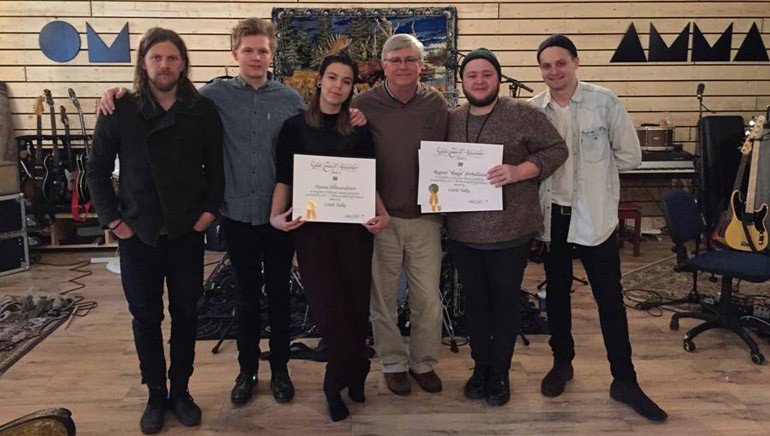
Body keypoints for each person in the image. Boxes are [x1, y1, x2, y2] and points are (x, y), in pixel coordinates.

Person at [98, 18, 365, 407]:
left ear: (272, 55)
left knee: (279, 295)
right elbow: (165, 94)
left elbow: (326, 120)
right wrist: (116, 92)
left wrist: (356, 113)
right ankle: (247, 371)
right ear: (234, 54)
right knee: (244, 296)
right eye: (248, 50)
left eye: (263, 51)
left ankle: (280, 370)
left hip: (281, 216)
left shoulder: (290, 99)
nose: (256, 57)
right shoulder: (213, 96)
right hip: (236, 214)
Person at [87, 27, 224, 434]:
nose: (164, 65)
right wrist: (114, 221)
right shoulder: (120, 109)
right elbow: (95, 170)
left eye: (172, 58)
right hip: (139, 234)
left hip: (186, 232)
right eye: (156, 58)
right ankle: (154, 394)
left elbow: (216, 170)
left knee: (186, 315)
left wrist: (208, 214)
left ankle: (181, 391)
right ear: (143, 62)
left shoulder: (202, 109)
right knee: (145, 318)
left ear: (183, 63)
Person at [530, 34, 668, 421]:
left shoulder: (604, 102)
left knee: (610, 299)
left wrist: (597, 174)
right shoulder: (533, 109)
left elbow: (630, 157)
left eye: (560, 62)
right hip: (553, 215)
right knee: (556, 294)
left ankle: (624, 379)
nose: (553, 71)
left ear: (576, 62)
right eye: (546, 65)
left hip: (596, 216)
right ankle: (562, 362)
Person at [270, 53, 389, 421]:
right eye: (333, 78)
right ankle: (345, 377)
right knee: (327, 309)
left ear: (353, 88)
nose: (338, 86)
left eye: (346, 81)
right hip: (312, 231)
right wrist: (274, 216)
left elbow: (366, 179)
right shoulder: (293, 127)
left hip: (355, 230)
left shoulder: (358, 128)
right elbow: (285, 179)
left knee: (355, 307)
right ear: (319, 80)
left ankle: (346, 378)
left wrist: (381, 213)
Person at [446, 48, 567, 406]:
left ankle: (500, 372)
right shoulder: (452, 118)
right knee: (476, 305)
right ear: (463, 81)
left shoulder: (523, 114)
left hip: (510, 230)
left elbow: (556, 150)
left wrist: (518, 171)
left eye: (486, 74)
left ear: (498, 78)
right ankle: (480, 367)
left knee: (504, 304)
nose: (479, 81)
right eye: (472, 75)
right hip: (463, 231)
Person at [352, 34, 448, 395]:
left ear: (421, 64)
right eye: (395, 60)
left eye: (410, 59)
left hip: (425, 218)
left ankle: (424, 363)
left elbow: (447, 156)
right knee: (383, 298)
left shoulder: (436, 104)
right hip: (381, 218)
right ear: (383, 65)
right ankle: (392, 362)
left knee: (427, 299)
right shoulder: (363, 103)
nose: (403, 66)